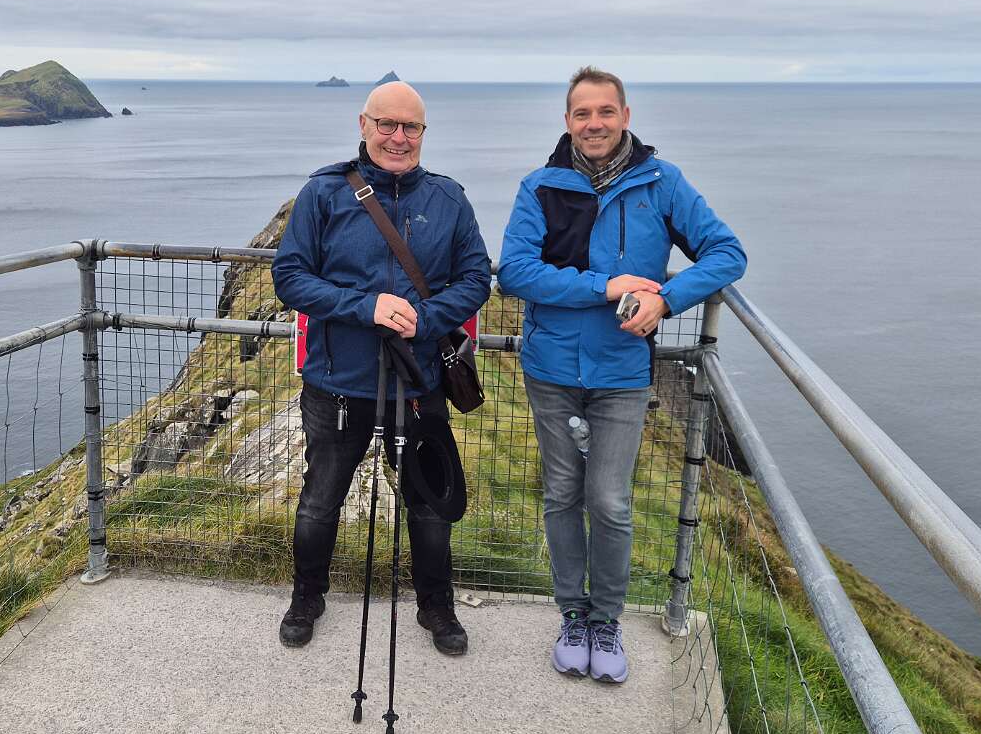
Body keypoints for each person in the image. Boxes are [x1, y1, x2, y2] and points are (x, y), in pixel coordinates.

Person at [497, 66, 746, 683]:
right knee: (562, 493)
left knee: (609, 501)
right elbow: (516, 272)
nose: (594, 124)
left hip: (622, 372)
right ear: (567, 121)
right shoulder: (540, 187)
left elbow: (727, 252)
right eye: (582, 114)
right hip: (551, 368)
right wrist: (603, 286)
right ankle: (572, 615)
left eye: (605, 112)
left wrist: (668, 299)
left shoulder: (661, 183)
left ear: (625, 116)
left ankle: (605, 620)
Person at [271, 81, 492, 655]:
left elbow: (476, 278)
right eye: (387, 124)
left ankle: (436, 605)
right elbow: (289, 277)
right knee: (320, 500)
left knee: (430, 500)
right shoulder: (323, 193)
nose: (398, 137)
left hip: (419, 379)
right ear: (363, 125)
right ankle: (306, 596)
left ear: (423, 132)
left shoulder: (449, 199)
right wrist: (365, 306)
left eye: (410, 127)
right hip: (337, 380)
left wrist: (425, 318)